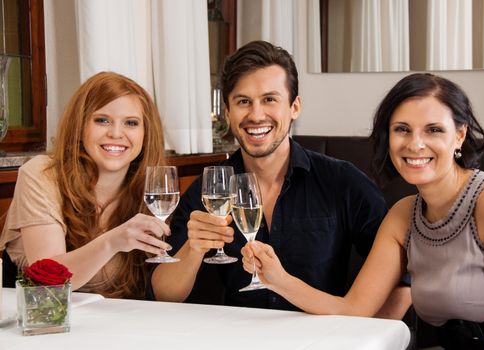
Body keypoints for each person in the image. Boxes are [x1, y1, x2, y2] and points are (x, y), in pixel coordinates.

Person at [241, 73, 484, 348]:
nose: (415, 144)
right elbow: (354, 310)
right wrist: (277, 279)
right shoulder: (403, 216)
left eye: (433, 130)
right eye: (402, 129)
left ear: (460, 135)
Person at [149, 40, 411, 317]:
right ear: (227, 113)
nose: (256, 114)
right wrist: (194, 247)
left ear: (294, 107)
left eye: (269, 99)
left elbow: (403, 280)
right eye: (243, 102)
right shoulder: (209, 190)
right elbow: (164, 295)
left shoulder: (343, 182)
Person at [0, 72, 171, 299]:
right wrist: (112, 242)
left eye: (131, 123)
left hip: (120, 322)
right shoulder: (41, 174)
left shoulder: (152, 189)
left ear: (145, 134)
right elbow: (48, 283)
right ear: (79, 125)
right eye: (102, 120)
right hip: (47, 320)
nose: (116, 133)